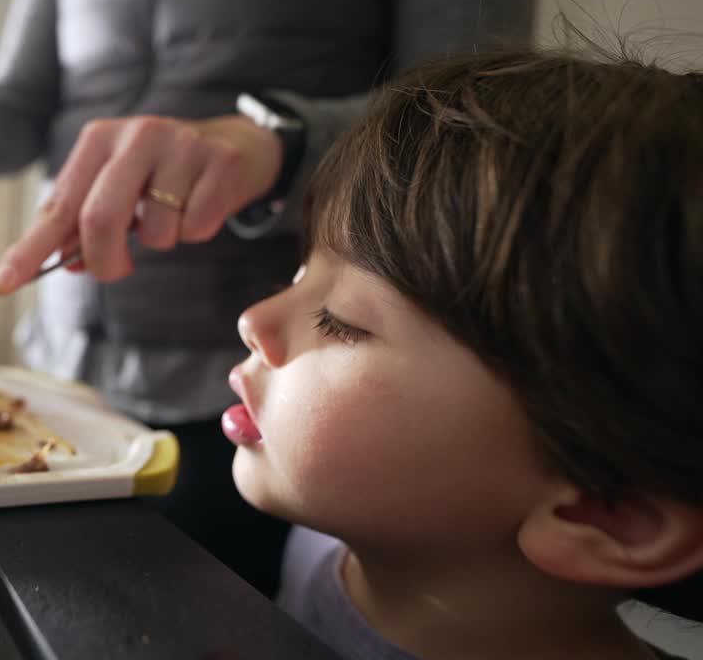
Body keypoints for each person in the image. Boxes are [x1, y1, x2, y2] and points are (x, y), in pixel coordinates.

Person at [0, 0, 538, 596]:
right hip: (60, 380)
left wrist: (271, 144)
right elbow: (27, 95)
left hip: (261, 412)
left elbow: (472, 116)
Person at [225, 46, 703, 659]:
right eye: (299, 272)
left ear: (606, 514)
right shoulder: (340, 538)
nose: (253, 321)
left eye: (340, 320)